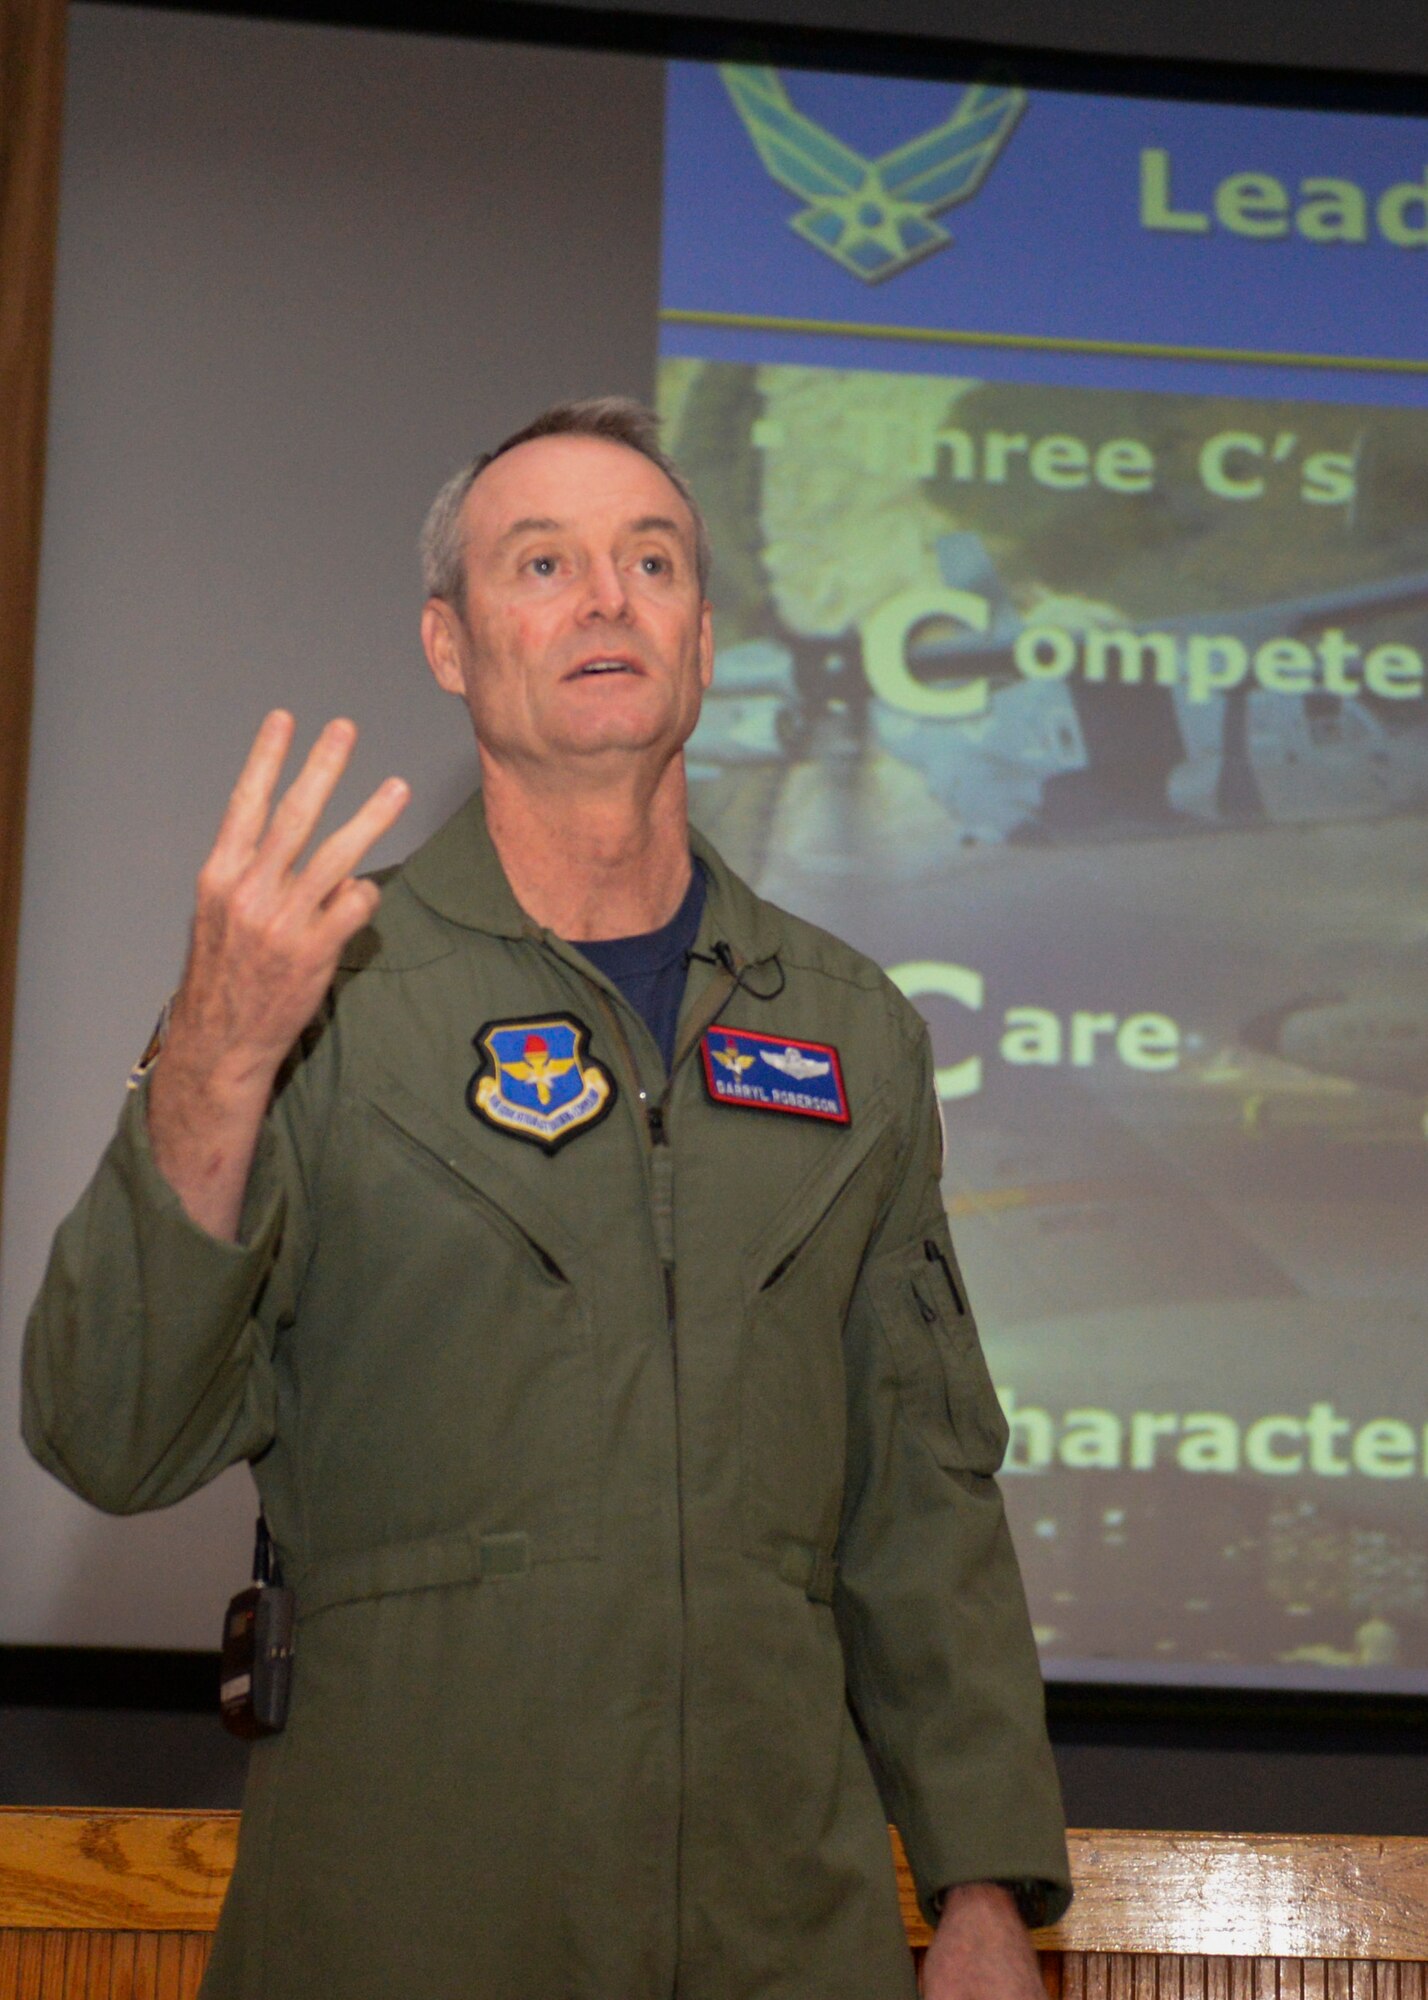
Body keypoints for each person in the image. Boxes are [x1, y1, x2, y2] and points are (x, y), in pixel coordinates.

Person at [23, 398, 1070, 1999]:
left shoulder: (850, 1025)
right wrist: (216, 1063)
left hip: (781, 1935)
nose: (605, 597)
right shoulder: (316, 993)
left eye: (651, 560)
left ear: (704, 642)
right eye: (544, 562)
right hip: (405, 1922)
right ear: (449, 644)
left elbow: (922, 1498)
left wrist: (985, 1885)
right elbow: (111, 1431)